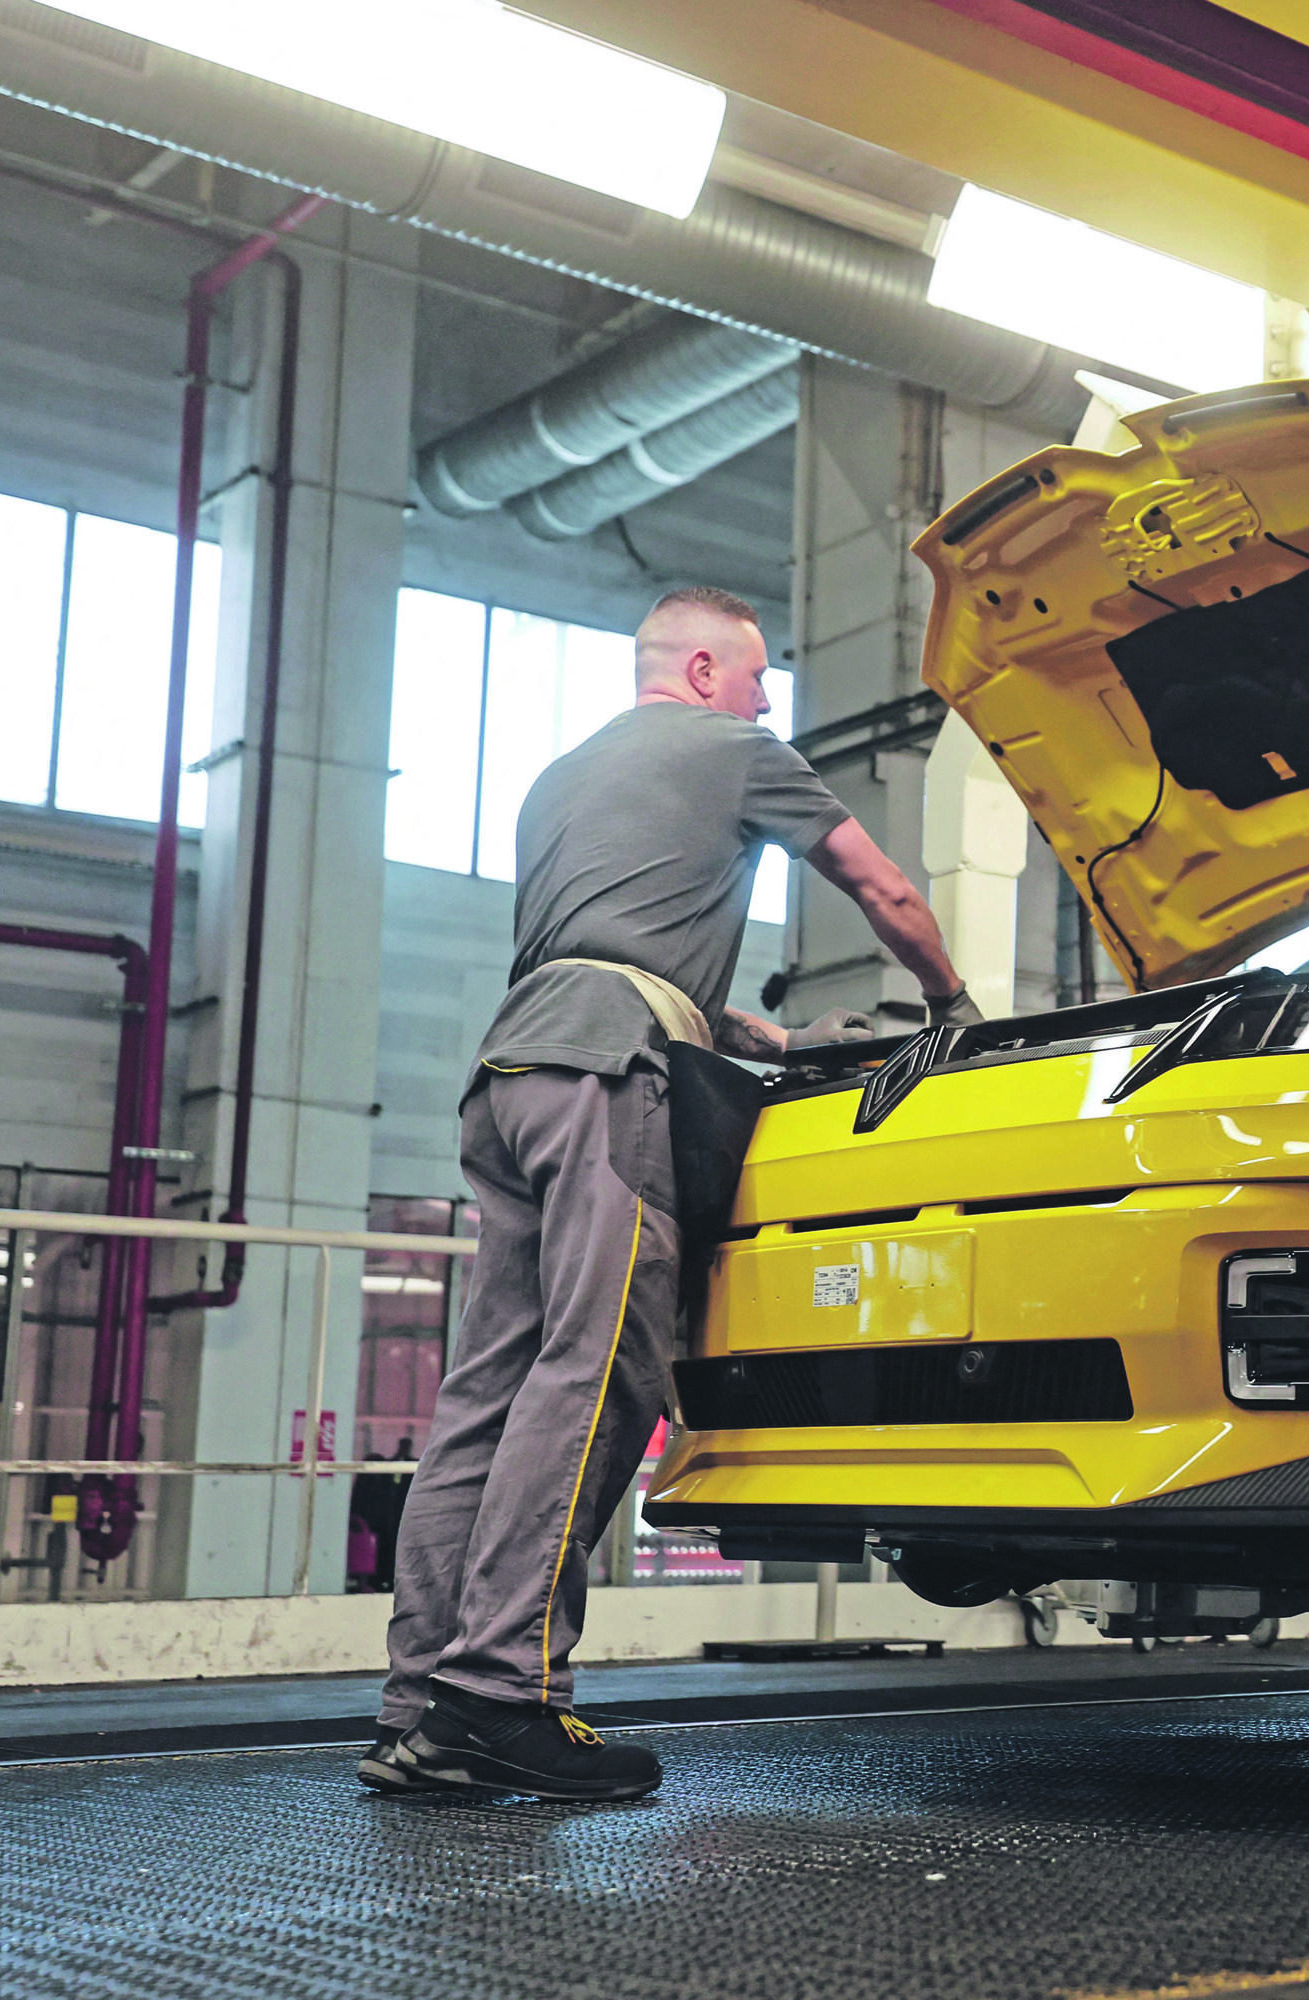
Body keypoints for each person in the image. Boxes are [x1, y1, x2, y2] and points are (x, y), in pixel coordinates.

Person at [362, 585, 974, 1801]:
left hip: (511, 1078)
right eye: (756, 681)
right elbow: (883, 885)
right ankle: (504, 1692)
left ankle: (422, 1709)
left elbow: (608, 951)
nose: (765, 703)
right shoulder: (735, 747)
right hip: (604, 1081)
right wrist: (952, 1002)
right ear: (702, 669)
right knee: (605, 1368)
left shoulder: (559, 776)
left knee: (487, 1391)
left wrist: (765, 1035)